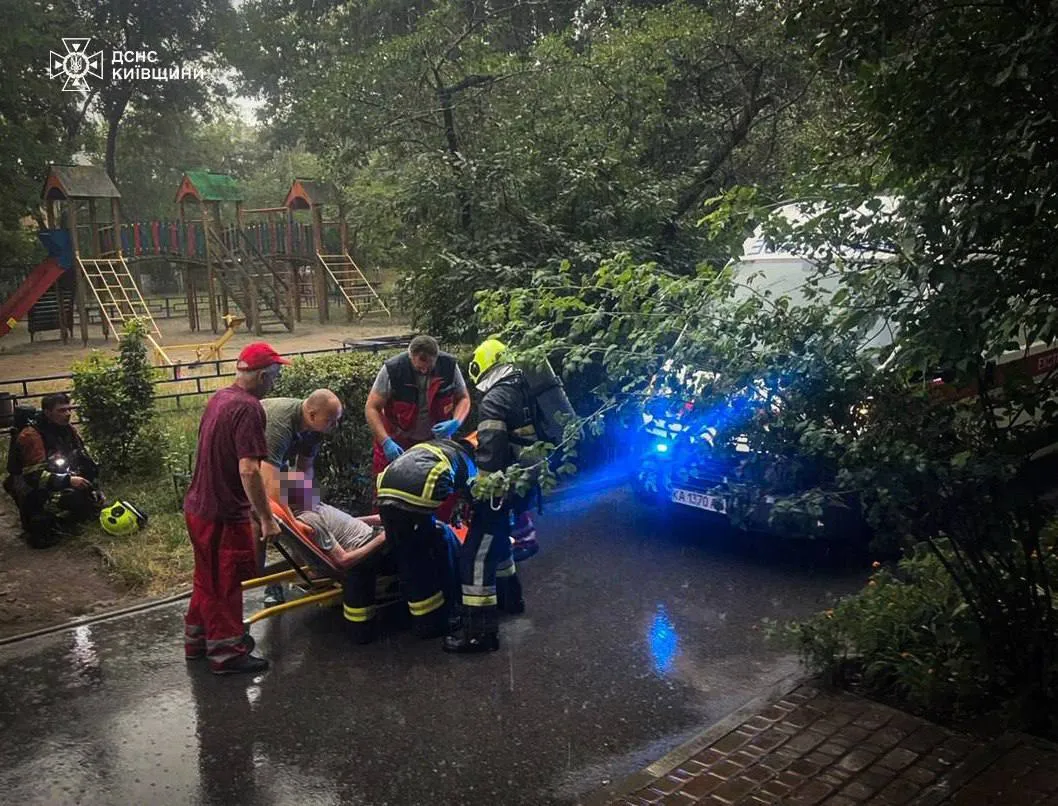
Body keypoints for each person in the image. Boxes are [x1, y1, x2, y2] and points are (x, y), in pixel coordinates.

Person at [444, 339, 576, 654]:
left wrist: (482, 492)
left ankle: (479, 632)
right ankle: (510, 598)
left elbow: (490, 450)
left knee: (475, 555)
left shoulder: (495, 399)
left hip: (502, 488)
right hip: (527, 481)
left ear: (483, 367)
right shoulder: (523, 388)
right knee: (500, 539)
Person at [182, 342, 288, 675]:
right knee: (224, 582)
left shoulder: (220, 398)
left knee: (207, 578)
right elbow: (248, 469)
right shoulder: (249, 408)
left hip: (198, 506)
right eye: (274, 374)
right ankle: (227, 653)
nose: (276, 380)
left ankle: (197, 640)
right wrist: (266, 518)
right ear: (260, 375)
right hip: (222, 512)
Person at [375, 437, 477, 639]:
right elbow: (473, 496)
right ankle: (435, 622)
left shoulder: (430, 446)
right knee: (426, 553)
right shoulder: (468, 462)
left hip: (385, 491)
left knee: (407, 555)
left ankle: (419, 615)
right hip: (417, 495)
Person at [278, 470, 393, 644]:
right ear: (296, 496)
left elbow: (339, 522)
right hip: (369, 548)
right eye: (305, 485)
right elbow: (343, 560)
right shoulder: (310, 519)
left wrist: (374, 519)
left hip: (370, 534)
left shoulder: (313, 506)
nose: (311, 485)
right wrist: (385, 536)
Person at [258, 389, 344, 607]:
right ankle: (264, 582)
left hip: (274, 463)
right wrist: (292, 523)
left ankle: (302, 569)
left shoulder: (315, 428)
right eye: (331, 421)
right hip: (245, 465)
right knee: (272, 527)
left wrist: (308, 507)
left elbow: (305, 468)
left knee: (304, 519)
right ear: (312, 415)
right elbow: (269, 481)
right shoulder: (281, 424)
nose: (334, 427)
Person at [3, 393, 103, 548]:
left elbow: (85, 460)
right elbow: (33, 477)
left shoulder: (68, 430)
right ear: (47, 412)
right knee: (42, 529)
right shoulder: (31, 436)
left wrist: (94, 487)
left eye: (69, 409)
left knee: (87, 503)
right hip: (33, 488)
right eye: (61, 411)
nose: (68, 414)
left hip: (59, 478)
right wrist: (68, 480)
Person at [364, 335, 472, 478]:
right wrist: (385, 441)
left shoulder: (449, 366)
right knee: (390, 484)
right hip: (398, 441)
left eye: (429, 367)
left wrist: (456, 422)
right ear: (410, 357)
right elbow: (371, 408)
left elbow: (464, 398)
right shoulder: (393, 370)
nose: (424, 371)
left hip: (435, 441)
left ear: (436, 357)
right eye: (419, 368)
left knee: (440, 486)